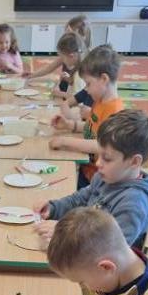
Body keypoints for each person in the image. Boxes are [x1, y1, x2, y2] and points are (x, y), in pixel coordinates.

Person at [34, 110, 148, 249]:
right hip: (84, 249)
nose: (98, 163)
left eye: (107, 158)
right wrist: (54, 208)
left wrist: (65, 232)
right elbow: (79, 200)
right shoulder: (106, 176)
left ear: (134, 162)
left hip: (105, 259)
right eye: (99, 155)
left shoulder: (134, 203)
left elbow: (111, 247)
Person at [49, 44, 124, 188]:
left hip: (100, 180)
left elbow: (101, 145)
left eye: (88, 84)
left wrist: (65, 141)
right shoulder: (100, 101)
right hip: (88, 170)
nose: (87, 91)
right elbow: (93, 127)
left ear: (104, 79)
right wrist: (70, 125)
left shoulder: (114, 110)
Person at [26, 14, 91, 80]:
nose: (65, 36)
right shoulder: (68, 52)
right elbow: (49, 68)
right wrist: (31, 75)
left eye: (68, 33)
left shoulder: (87, 59)